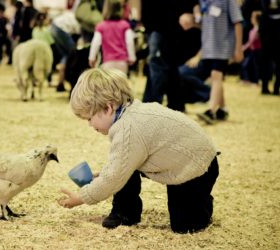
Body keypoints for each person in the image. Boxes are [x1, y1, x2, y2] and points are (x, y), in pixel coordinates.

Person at [58, 68, 219, 234]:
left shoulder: (128, 129)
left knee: (185, 226)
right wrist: (102, 175)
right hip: (182, 159)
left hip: (197, 167)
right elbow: (120, 163)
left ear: (108, 108)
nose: (90, 125)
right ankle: (125, 212)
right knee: (123, 168)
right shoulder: (129, 112)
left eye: (89, 118)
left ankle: (202, 202)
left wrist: (80, 198)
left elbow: (113, 177)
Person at [193, 0, 244, 124]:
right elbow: (203, 23)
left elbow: (238, 23)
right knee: (217, 78)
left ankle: (211, 111)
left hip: (223, 46)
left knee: (216, 76)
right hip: (208, 47)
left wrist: (238, 48)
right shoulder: (203, 2)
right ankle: (222, 108)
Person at [88, 0, 136, 74]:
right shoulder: (125, 25)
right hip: (122, 62)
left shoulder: (101, 26)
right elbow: (129, 42)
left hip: (108, 62)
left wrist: (92, 58)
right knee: (121, 84)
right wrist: (132, 57)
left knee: (108, 85)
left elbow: (95, 44)